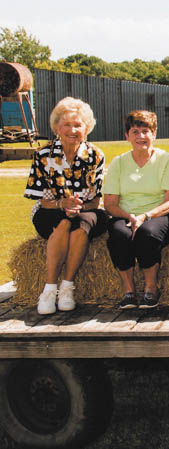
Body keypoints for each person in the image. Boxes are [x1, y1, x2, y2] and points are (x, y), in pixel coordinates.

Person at [24, 97, 108, 315]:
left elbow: (96, 200)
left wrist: (78, 207)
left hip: (87, 211)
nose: (73, 130)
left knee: (80, 229)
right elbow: (40, 198)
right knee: (62, 224)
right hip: (49, 210)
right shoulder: (42, 155)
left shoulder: (95, 156)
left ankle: (68, 287)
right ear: (57, 128)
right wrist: (63, 204)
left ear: (87, 128)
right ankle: (49, 289)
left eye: (78, 125)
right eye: (67, 125)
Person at [103, 110, 169, 309]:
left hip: (161, 215)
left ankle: (151, 288)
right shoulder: (119, 163)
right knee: (119, 234)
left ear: (154, 134)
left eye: (146, 131)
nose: (141, 137)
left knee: (147, 233)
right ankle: (128, 291)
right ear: (127, 136)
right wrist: (130, 216)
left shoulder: (166, 160)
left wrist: (146, 216)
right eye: (135, 131)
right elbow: (110, 203)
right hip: (125, 214)